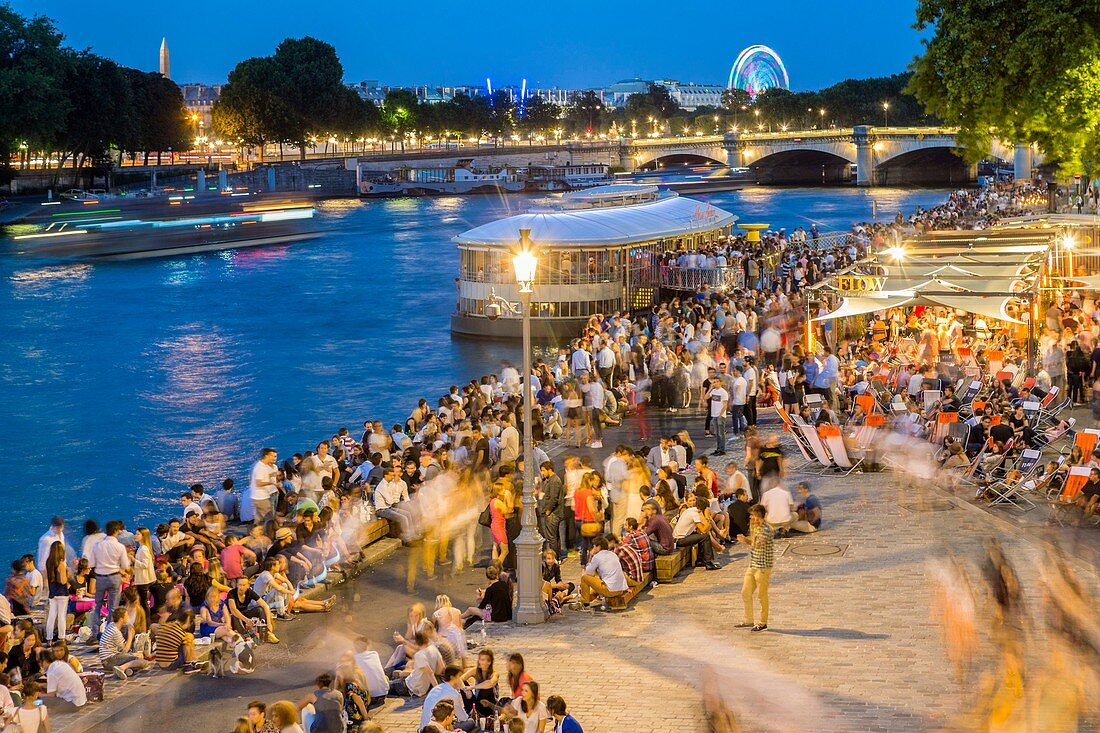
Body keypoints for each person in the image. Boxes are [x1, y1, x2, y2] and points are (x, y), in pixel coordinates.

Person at [89, 519, 131, 640]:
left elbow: (92, 563)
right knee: (113, 607)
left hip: (100, 577)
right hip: (114, 577)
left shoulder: (97, 545)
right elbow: (125, 566)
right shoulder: (119, 546)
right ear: (116, 531)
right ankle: (108, 633)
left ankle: (94, 632)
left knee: (97, 605)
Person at [737, 504, 775, 632]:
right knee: (745, 592)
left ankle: (763, 622)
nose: (751, 517)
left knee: (761, 595)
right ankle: (748, 619)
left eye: (753, 515)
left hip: (763, 567)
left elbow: (757, 544)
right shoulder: (755, 527)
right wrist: (747, 539)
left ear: (759, 517)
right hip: (753, 564)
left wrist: (745, 540)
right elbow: (754, 542)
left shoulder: (766, 530)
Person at [98, 607, 152, 681]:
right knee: (143, 662)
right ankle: (122, 668)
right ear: (121, 619)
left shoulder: (111, 625)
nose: (128, 617)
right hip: (110, 660)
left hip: (108, 659)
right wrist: (130, 637)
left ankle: (127, 669)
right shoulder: (115, 632)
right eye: (126, 616)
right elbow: (124, 650)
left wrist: (133, 654)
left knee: (136, 657)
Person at [420, 665, 476, 732]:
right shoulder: (453, 693)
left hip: (424, 727)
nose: (461, 679)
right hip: (437, 729)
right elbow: (463, 718)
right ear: (452, 677)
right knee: (470, 722)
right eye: (459, 676)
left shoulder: (436, 688)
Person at [389, 630, 443, 697]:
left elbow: (430, 673)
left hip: (410, 687)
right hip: (416, 683)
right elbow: (441, 666)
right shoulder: (434, 648)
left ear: (417, 642)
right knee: (395, 672)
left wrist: (437, 690)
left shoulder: (419, 655)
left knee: (387, 686)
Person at [579, 535, 629, 606]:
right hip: (620, 589)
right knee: (596, 586)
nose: (593, 548)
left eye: (594, 546)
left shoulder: (597, 556)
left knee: (584, 578)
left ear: (598, 547)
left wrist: (591, 556)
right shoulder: (613, 554)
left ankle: (585, 602)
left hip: (610, 589)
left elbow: (588, 572)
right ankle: (588, 598)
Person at [672, 497, 719, 569]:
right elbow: (704, 530)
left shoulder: (690, 510)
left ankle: (700, 560)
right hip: (680, 539)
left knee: (701, 536)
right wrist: (708, 517)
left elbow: (701, 531)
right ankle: (708, 562)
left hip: (678, 537)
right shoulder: (695, 514)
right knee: (705, 537)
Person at [154, 610, 202, 674]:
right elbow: (187, 647)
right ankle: (189, 665)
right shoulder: (180, 632)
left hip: (160, 664)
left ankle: (193, 662)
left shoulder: (164, 626)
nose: (188, 627)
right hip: (171, 665)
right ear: (188, 622)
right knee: (189, 637)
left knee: (183, 641)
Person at [43, 644, 86, 709]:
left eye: (61, 650)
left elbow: (51, 695)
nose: (59, 653)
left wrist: (39, 695)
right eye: (56, 651)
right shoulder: (60, 664)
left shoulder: (54, 669)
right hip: (80, 701)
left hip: (72, 703)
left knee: (40, 701)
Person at [43, 541, 69, 644]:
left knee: (51, 615)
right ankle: (61, 638)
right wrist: (68, 576)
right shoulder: (61, 563)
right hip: (62, 592)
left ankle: (49, 638)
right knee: (61, 616)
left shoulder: (48, 562)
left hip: (52, 592)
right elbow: (62, 580)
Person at [250, 448, 280, 526]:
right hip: (261, 497)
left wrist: (271, 475)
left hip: (257, 496)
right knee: (269, 518)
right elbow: (258, 483)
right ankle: (269, 534)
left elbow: (261, 477)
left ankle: (254, 532)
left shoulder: (261, 465)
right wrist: (271, 483)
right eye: (272, 456)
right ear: (266, 456)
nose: (274, 458)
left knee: (259, 519)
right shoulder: (261, 467)